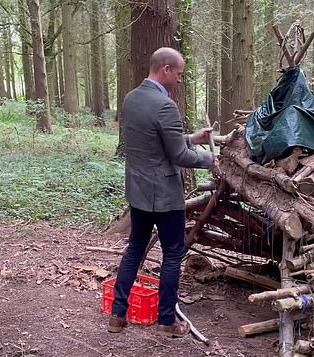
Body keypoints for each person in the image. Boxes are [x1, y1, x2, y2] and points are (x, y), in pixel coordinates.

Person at [108, 47, 215, 337]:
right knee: (171, 255)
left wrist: (194, 138)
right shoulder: (165, 106)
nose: (180, 79)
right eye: (179, 73)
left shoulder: (131, 99)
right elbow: (178, 155)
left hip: (139, 192)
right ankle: (167, 321)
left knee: (134, 251)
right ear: (165, 69)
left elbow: (157, 141)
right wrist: (210, 159)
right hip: (165, 197)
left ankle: (117, 315)